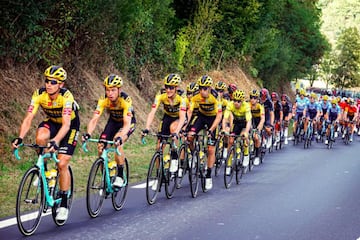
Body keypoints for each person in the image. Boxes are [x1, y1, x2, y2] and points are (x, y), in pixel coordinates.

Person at [11, 65, 80, 221]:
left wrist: (56, 141)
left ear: (61, 84)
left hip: (69, 127)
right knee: (41, 137)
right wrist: (20, 137)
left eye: (53, 82)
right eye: (47, 80)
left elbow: (66, 124)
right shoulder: (39, 94)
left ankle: (63, 203)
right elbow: (28, 118)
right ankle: (45, 171)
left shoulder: (66, 97)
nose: (49, 84)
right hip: (52, 122)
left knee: (62, 164)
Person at [82, 74, 135, 188]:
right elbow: (94, 119)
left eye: (113, 90)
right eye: (107, 90)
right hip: (113, 121)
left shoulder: (125, 100)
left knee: (117, 142)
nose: (110, 93)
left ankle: (120, 176)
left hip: (127, 123)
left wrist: (121, 137)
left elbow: (126, 124)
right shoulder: (103, 100)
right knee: (101, 145)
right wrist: (88, 134)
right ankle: (105, 178)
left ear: (119, 90)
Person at [142, 73, 186, 178]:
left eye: (171, 87)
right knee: (159, 147)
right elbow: (152, 112)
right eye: (166, 87)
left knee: (173, 129)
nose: (168, 90)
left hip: (179, 118)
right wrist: (147, 128)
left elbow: (183, 117)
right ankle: (159, 174)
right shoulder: (161, 95)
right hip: (167, 117)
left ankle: (175, 156)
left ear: (176, 88)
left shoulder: (182, 98)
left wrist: (176, 132)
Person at [186, 75, 222, 190]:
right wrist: (185, 126)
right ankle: (194, 155)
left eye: (205, 88)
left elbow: (219, 116)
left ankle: (208, 176)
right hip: (201, 117)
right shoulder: (196, 96)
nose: (202, 91)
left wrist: (211, 129)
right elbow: (190, 112)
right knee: (190, 136)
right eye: (201, 88)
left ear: (210, 88)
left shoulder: (215, 97)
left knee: (211, 149)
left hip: (213, 119)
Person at [222, 89, 252, 172]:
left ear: (242, 101)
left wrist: (246, 132)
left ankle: (246, 154)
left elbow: (249, 121)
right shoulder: (230, 105)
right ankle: (228, 163)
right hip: (236, 124)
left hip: (245, 124)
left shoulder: (246, 106)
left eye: (238, 101)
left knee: (244, 137)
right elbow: (225, 118)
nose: (236, 103)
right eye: (235, 100)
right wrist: (224, 129)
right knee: (231, 141)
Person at [249, 89, 265, 165]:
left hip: (259, 120)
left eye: (254, 98)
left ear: (258, 99)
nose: (252, 99)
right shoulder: (248, 105)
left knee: (256, 137)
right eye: (251, 97)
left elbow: (262, 119)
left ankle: (257, 156)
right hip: (251, 120)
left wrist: (258, 128)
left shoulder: (260, 106)